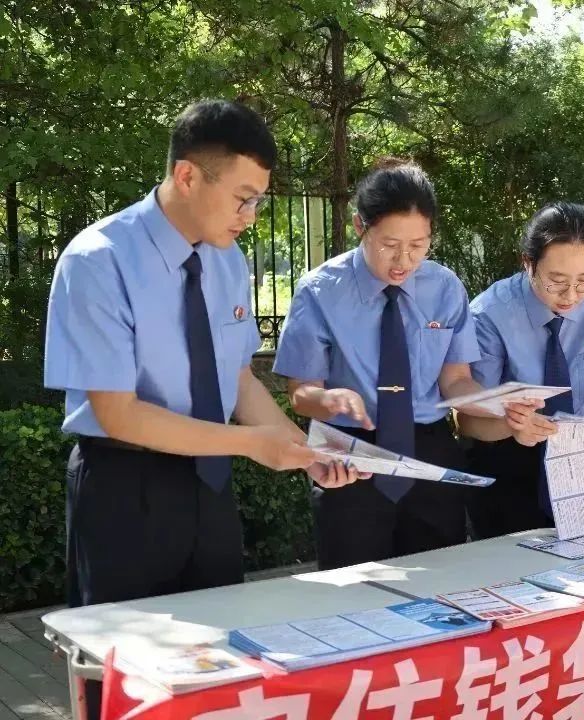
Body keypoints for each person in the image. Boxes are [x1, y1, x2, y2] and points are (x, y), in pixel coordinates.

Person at [44, 99, 356, 719]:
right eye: (243, 198)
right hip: (125, 488)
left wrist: (307, 451)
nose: (251, 216)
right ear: (187, 175)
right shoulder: (98, 260)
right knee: (125, 677)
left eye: (258, 200)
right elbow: (119, 414)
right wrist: (250, 446)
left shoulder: (227, 262)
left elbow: (236, 379)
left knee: (215, 672)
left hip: (208, 487)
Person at [274, 158, 491, 569]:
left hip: (428, 453)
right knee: (353, 586)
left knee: (439, 582)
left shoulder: (444, 288)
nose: (403, 260)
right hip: (351, 454)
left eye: (418, 245)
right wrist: (329, 400)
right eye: (389, 244)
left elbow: (456, 381)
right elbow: (301, 393)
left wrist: (499, 405)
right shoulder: (320, 290)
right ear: (360, 226)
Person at [459, 201, 584, 538]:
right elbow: (467, 421)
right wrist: (512, 425)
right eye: (556, 281)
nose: (571, 295)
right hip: (507, 457)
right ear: (528, 264)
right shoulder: (490, 313)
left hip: (581, 456)